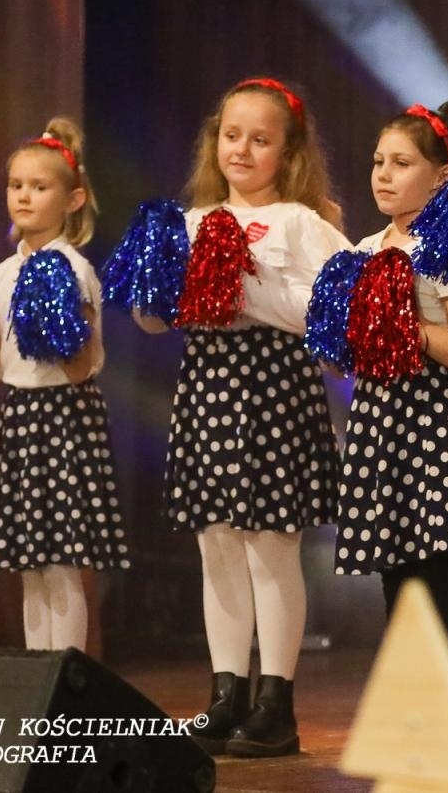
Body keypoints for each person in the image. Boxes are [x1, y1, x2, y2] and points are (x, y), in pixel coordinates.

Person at [134, 77, 348, 757]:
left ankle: (275, 704)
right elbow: (153, 320)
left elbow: (335, 319)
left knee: (268, 546)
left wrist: (241, 282)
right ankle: (225, 695)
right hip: (209, 389)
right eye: (232, 136)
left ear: (288, 152)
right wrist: (155, 279)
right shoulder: (192, 222)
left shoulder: (303, 224)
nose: (243, 150)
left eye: (260, 140)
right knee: (217, 545)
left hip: (275, 390)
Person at [333, 102, 448, 673]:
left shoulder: (444, 249)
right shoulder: (365, 250)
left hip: (432, 418)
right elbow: (346, 358)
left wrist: (408, 326)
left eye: (401, 163)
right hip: (380, 417)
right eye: (379, 161)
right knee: (395, 572)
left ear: (441, 175)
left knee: (436, 572)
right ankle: (413, 705)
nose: (383, 174)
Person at [0, 118, 130, 651]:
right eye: (16, 185)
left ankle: (65, 678)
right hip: (20, 418)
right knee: (30, 565)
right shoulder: (3, 272)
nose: (24, 196)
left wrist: (54, 315)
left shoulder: (74, 268)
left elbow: (79, 368)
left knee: (62, 562)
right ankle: (35, 680)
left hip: (65, 415)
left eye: (39, 187)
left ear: (72, 199)